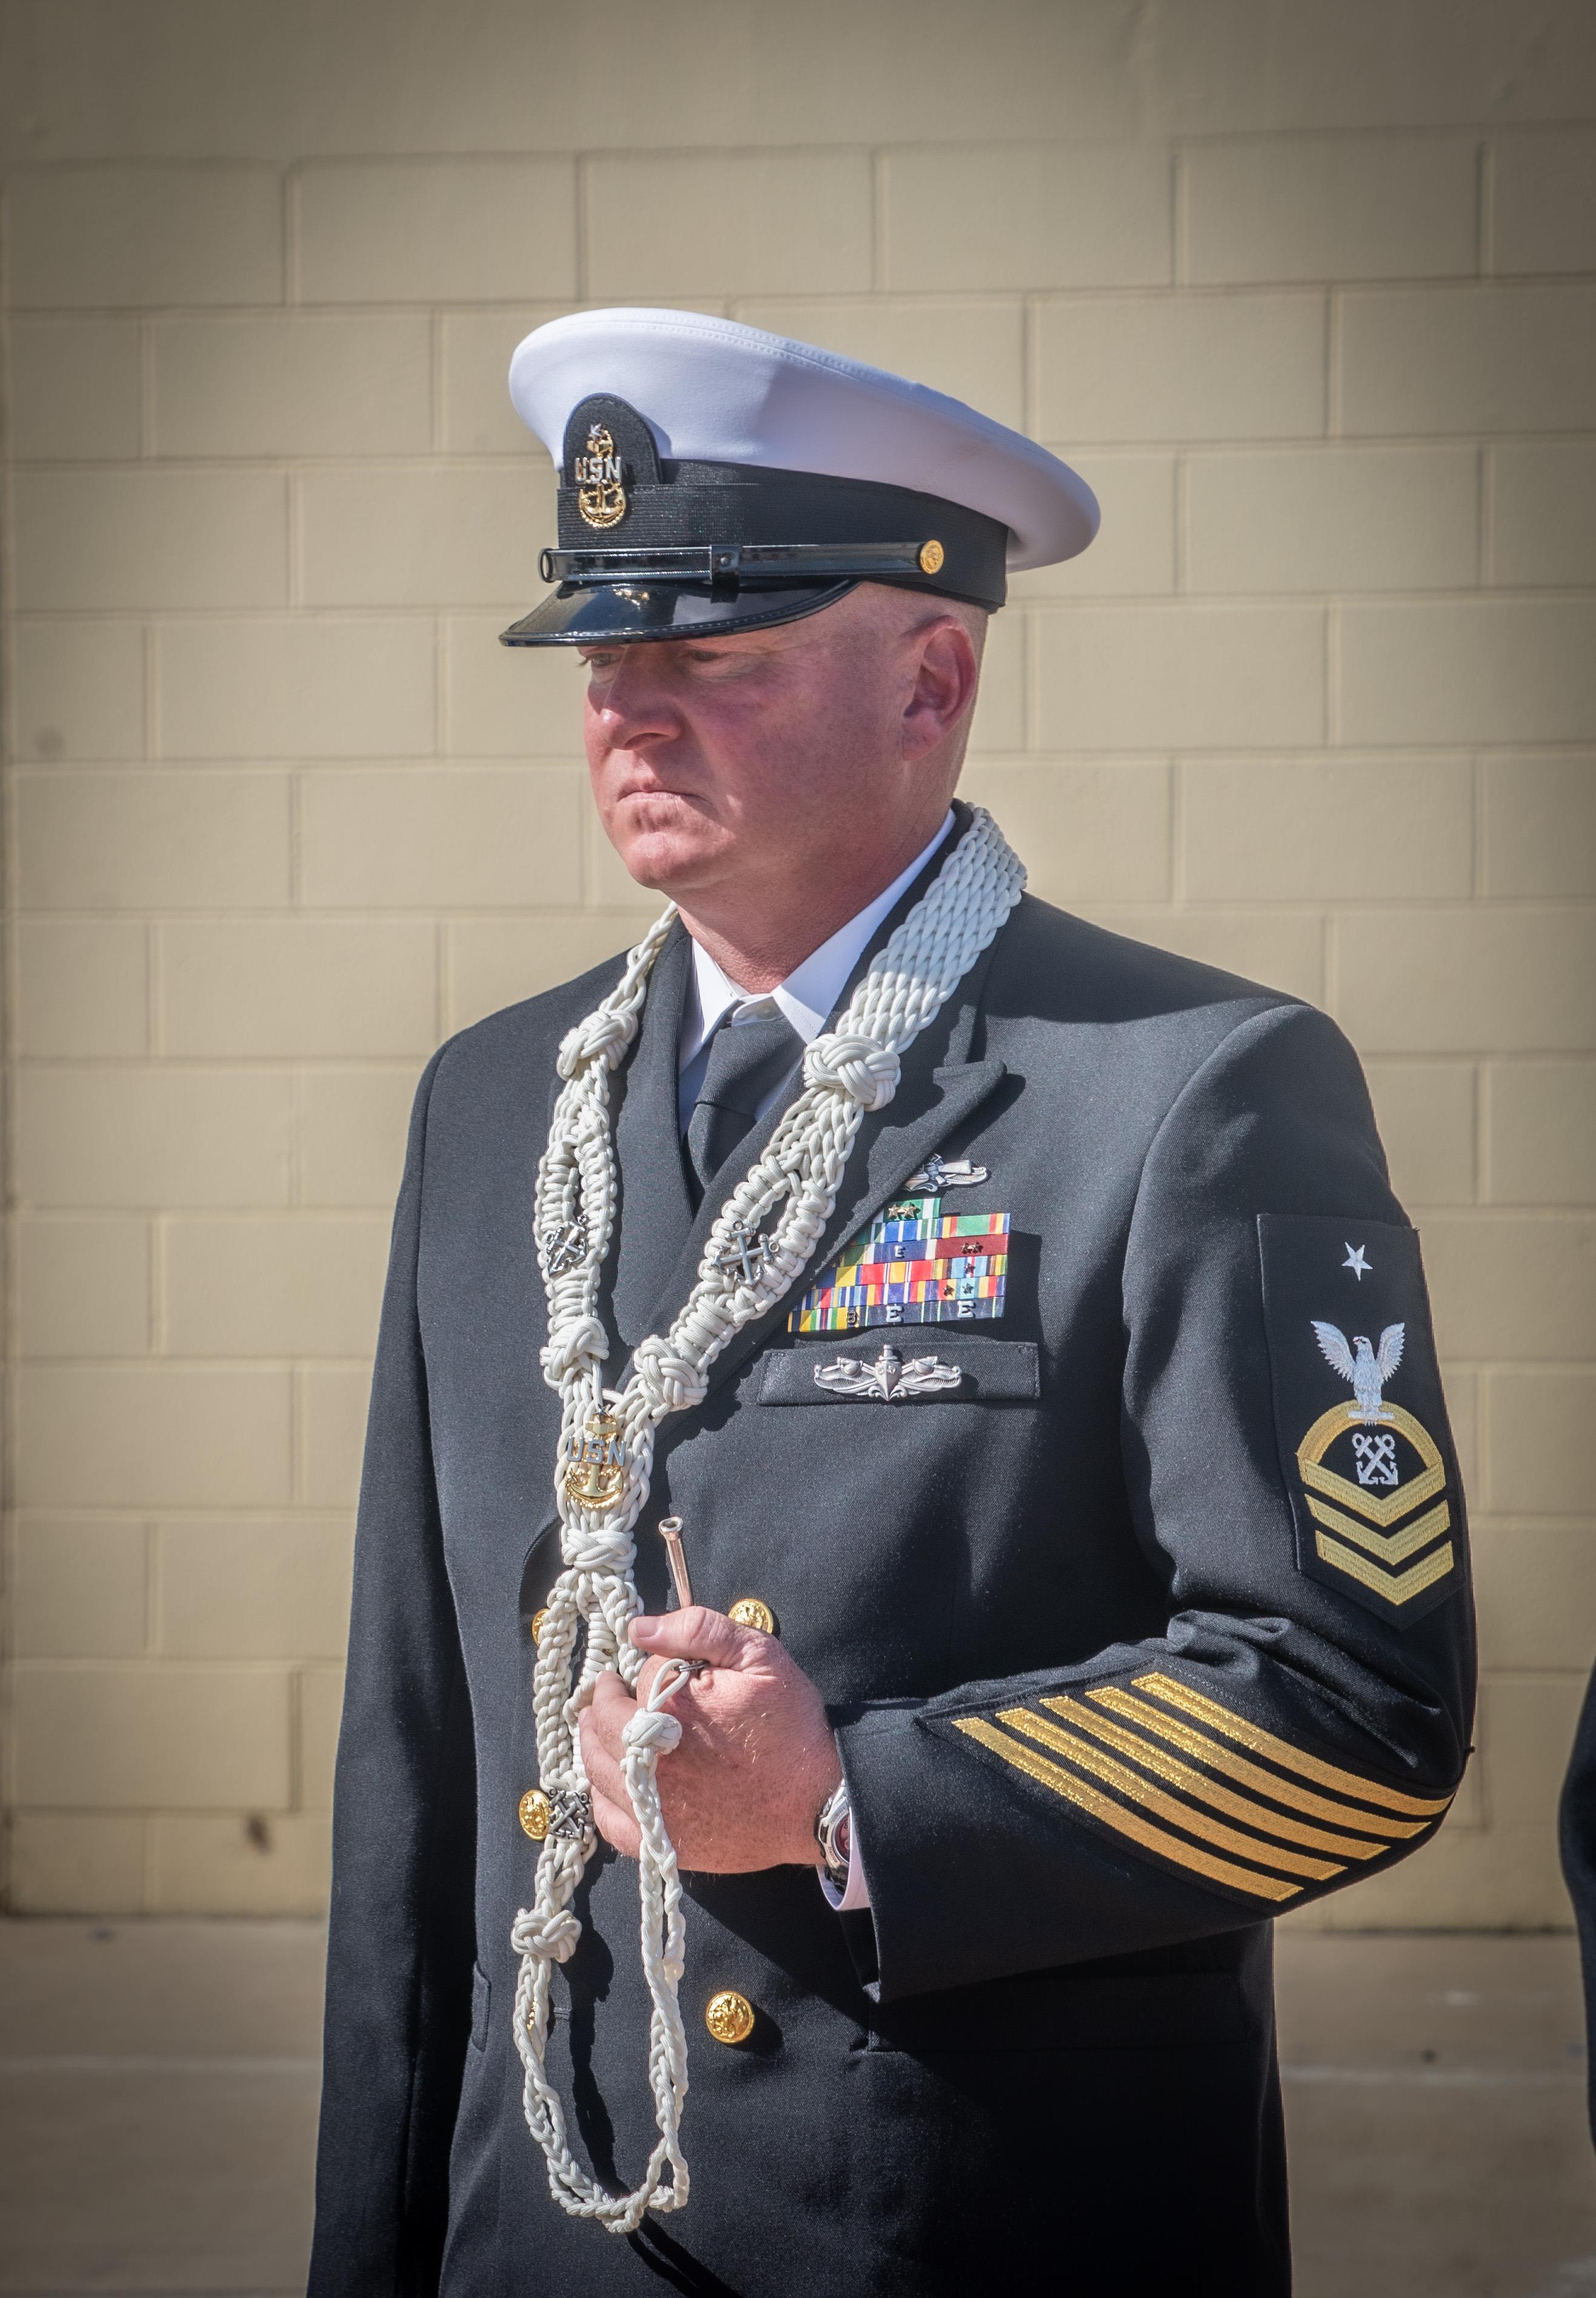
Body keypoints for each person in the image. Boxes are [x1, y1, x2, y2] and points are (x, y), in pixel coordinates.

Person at [309, 309, 1475, 2296]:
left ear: (931, 678)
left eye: (714, 654)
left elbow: (1354, 1713)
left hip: (951, 2217)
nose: (627, 711)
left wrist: (854, 1798)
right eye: (603, 655)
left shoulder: (1184, 1085)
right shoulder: (495, 1097)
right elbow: (417, 1767)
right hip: (551, 2226)